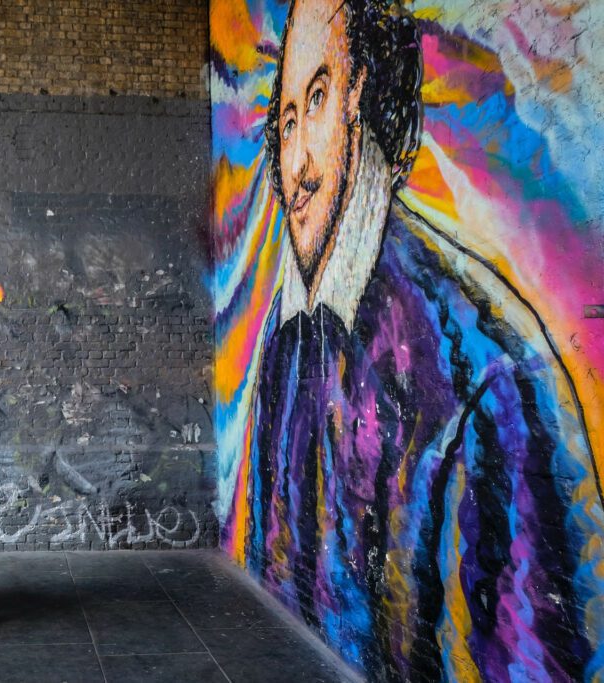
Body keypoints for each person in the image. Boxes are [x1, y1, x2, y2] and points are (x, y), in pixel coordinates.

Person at [249, 0, 604, 680]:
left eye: (317, 99)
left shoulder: (486, 378)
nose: (295, 163)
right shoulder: (285, 353)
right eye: (285, 121)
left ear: (363, 95)